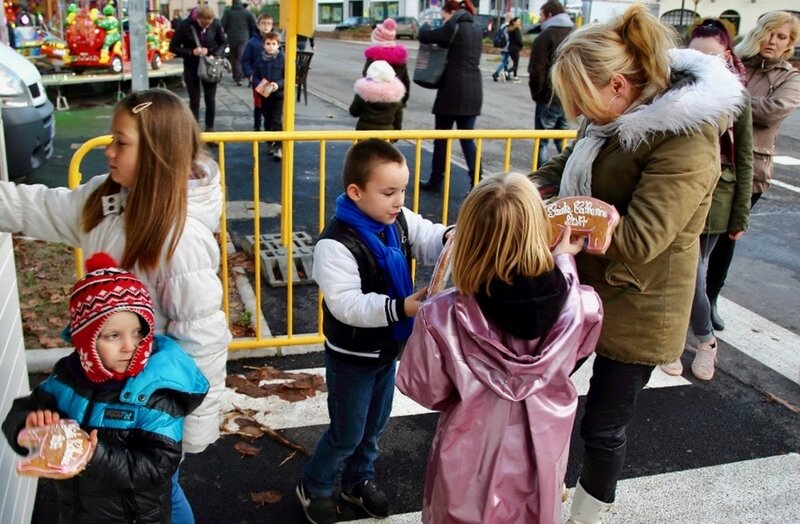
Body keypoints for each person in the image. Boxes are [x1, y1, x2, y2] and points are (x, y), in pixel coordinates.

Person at [527, 6, 746, 521]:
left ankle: (587, 514)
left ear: (620, 87)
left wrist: (550, 220)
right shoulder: (608, 122)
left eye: (582, 101)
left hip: (644, 301)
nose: (577, 115)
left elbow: (644, 237)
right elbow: (567, 163)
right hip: (582, 286)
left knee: (603, 426)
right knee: (538, 394)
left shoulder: (687, 137)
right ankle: (540, 491)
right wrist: (522, 191)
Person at [0, 88, 232, 524]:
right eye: (111, 138)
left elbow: (202, 335)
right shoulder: (107, 202)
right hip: (106, 390)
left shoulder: (180, 238)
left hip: (149, 408)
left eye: (121, 142)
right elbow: (39, 208)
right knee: (128, 497)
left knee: (157, 493)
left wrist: (194, 428)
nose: (108, 150)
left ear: (157, 153)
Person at [396, 173, 603, 524]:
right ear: (541, 230)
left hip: (468, 453)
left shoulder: (441, 316)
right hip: (543, 448)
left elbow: (424, 389)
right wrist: (565, 262)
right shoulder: (582, 306)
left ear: (469, 238)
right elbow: (572, 357)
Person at [296, 139, 449, 524]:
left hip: (386, 349)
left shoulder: (394, 219)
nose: (399, 201)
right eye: (389, 192)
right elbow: (346, 304)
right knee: (347, 431)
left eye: (402, 191)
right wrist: (400, 308)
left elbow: (428, 236)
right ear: (356, 192)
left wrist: (451, 238)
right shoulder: (335, 244)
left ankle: (357, 480)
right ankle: (314, 485)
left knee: (375, 425)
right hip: (352, 356)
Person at [2, 252, 209, 524]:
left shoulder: (156, 395)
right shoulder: (68, 377)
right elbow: (20, 414)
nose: (129, 345)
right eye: (113, 335)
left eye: (137, 332)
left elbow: (157, 467)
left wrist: (91, 457)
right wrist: (29, 424)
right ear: (86, 341)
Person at [661, 19, 753, 381]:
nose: (705, 64)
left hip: (716, 201)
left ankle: (704, 341)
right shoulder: (671, 90)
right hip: (678, 195)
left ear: (727, 55)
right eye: (696, 56)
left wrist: (739, 217)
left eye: (713, 56)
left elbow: (744, 157)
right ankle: (673, 344)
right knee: (678, 274)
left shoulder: (736, 96)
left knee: (693, 276)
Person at [706, 11, 800, 330]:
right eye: (770, 33)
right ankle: (693, 303)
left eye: (782, 37)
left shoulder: (788, 76)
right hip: (712, 161)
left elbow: (773, 112)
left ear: (790, 43)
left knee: (726, 241)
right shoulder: (737, 62)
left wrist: (729, 98)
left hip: (752, 169)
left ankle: (711, 297)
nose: (773, 41)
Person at [418, 0, 483, 193]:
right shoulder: (476, 28)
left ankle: (436, 180)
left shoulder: (453, 27)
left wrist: (425, 25)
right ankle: (477, 181)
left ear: (452, 11)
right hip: (474, 91)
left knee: (442, 138)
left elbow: (426, 36)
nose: (443, 19)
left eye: (443, 15)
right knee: (467, 139)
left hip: (451, 92)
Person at [528, 0, 574, 168]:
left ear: (549, 15)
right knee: (563, 141)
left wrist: (538, 94)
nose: (539, 19)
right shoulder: (575, 33)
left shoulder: (545, 36)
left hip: (548, 96)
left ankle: (541, 181)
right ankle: (566, 174)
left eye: (541, 15)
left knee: (542, 142)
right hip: (568, 98)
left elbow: (537, 69)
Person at [169, 6, 227, 131]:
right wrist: (191, 51)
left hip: (210, 65)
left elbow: (223, 42)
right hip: (191, 65)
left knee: (210, 99)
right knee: (194, 100)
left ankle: (210, 130)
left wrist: (213, 52)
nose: (206, 27)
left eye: (209, 24)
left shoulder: (216, 23)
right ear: (197, 18)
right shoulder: (185, 25)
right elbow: (173, 47)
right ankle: (194, 131)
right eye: (203, 24)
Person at [362, 18, 410, 130]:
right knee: (388, 141)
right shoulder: (400, 58)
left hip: (372, 103)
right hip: (394, 102)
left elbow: (365, 77)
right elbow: (405, 81)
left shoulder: (373, 56)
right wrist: (403, 101)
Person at [250, 31, 285, 160]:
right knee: (268, 119)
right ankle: (270, 142)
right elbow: (255, 76)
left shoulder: (282, 58)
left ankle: (278, 146)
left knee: (276, 120)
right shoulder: (260, 59)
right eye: (268, 44)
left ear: (278, 45)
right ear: (264, 45)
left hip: (278, 95)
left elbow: (287, 77)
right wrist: (259, 86)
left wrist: (278, 85)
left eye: (273, 44)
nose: (271, 46)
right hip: (265, 95)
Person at [350, 60, 406, 130]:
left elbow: (354, 112)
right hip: (386, 133)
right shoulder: (396, 95)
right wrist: (395, 136)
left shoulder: (363, 92)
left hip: (364, 130)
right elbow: (398, 119)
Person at [242, 14, 274, 131]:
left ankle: (269, 128)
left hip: (272, 79)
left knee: (271, 106)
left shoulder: (275, 42)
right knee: (259, 105)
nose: (266, 26)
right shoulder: (252, 43)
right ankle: (257, 127)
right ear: (258, 25)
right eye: (263, 23)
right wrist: (250, 75)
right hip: (259, 79)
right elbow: (245, 61)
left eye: (269, 24)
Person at [221, 0, 257, 86]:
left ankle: (237, 76)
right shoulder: (247, 13)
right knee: (241, 57)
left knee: (234, 58)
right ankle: (241, 75)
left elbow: (223, 25)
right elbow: (253, 25)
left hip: (232, 38)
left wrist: (228, 31)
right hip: (244, 38)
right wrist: (250, 35)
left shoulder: (228, 12)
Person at [492, 12, 512, 82]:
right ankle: (496, 73)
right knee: (505, 62)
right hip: (507, 46)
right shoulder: (509, 26)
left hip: (502, 46)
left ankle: (507, 75)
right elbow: (508, 37)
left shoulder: (502, 25)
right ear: (509, 18)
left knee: (505, 60)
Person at [506, 16, 523, 82]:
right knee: (516, 64)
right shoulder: (516, 29)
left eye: (519, 21)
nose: (519, 23)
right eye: (518, 21)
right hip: (515, 48)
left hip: (510, 48)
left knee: (515, 63)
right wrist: (521, 45)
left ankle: (515, 76)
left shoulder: (510, 29)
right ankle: (506, 72)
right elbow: (519, 40)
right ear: (514, 22)